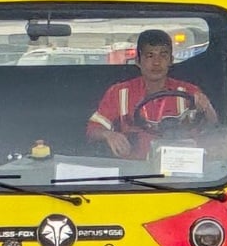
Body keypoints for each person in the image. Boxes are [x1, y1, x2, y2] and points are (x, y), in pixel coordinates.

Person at [87, 29, 218, 158]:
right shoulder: (118, 92)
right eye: (150, 56)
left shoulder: (190, 92)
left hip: (180, 168)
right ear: (138, 61)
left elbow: (213, 130)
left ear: (171, 60)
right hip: (133, 169)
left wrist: (207, 109)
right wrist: (109, 135)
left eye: (163, 55)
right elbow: (92, 130)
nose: (156, 62)